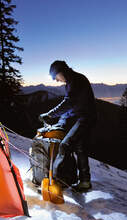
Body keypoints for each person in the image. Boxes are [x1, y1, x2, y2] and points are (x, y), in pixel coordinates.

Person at [39, 60, 97, 192]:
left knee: (65, 145)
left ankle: (56, 180)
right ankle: (84, 181)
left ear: (61, 71)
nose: (56, 81)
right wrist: (60, 122)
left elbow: (69, 103)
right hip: (83, 116)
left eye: (56, 77)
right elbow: (71, 107)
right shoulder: (73, 80)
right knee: (80, 148)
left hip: (86, 118)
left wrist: (50, 114)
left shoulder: (76, 81)